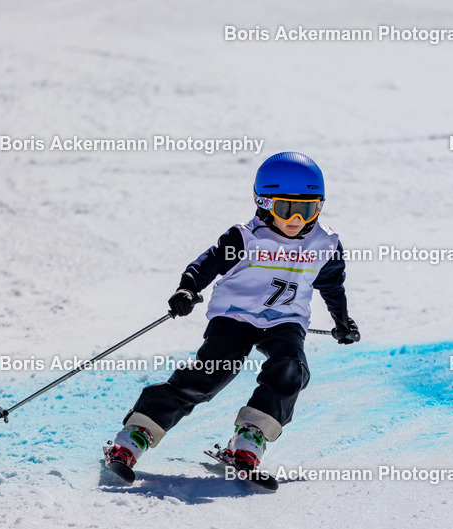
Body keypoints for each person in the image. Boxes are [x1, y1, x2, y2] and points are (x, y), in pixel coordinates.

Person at [103, 151, 359, 479]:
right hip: (235, 317)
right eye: (286, 208)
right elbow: (207, 263)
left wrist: (342, 321)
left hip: (285, 320)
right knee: (211, 375)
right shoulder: (246, 237)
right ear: (264, 203)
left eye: (307, 209)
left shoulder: (325, 242)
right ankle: (136, 434)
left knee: (291, 369)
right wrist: (187, 288)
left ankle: (251, 435)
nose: (297, 219)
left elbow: (331, 283)